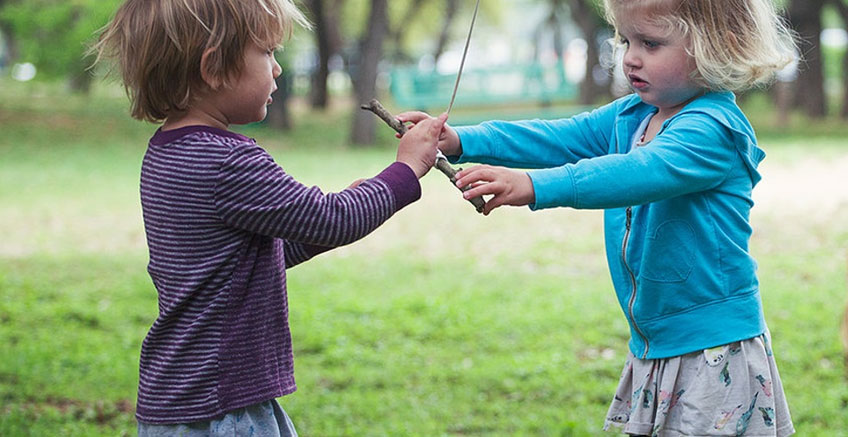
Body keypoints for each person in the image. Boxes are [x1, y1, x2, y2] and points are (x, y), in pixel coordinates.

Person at [400, 0, 797, 435]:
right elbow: (559, 137)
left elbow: (640, 172)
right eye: (626, 40)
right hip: (657, 343)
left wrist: (535, 186)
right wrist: (460, 140)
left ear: (719, 47)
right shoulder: (634, 115)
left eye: (651, 42)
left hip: (712, 347)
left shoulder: (714, 129)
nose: (630, 57)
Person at [91, 0, 447, 435]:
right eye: (267, 53)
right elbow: (333, 219)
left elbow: (251, 254)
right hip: (224, 406)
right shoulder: (228, 160)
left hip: (180, 400)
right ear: (213, 67)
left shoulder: (167, 153)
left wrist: (348, 205)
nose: (277, 69)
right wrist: (405, 170)